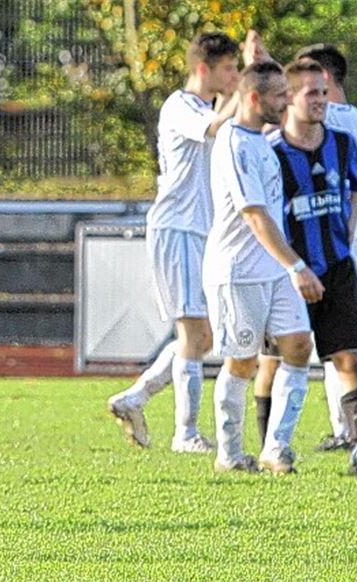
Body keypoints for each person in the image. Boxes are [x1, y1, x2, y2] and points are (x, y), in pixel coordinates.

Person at [106, 31, 247, 452]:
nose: (235, 76)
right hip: (179, 229)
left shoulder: (210, 107)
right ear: (204, 69)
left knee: (205, 337)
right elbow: (215, 127)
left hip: (204, 231)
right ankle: (186, 433)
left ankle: (136, 397)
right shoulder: (180, 106)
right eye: (229, 68)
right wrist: (244, 89)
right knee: (191, 331)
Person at [257, 59, 357, 474]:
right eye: (312, 93)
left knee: (350, 358)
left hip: (337, 267)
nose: (322, 101)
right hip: (289, 274)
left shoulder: (342, 143)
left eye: (324, 92)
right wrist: (290, 263)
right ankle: (271, 447)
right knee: (275, 361)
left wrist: (348, 225)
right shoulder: (271, 152)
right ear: (289, 98)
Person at [204, 60, 321, 474]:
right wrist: (297, 266)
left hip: (273, 269)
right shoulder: (233, 143)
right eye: (279, 96)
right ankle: (230, 455)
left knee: (299, 346)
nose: (287, 101)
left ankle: (276, 447)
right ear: (254, 98)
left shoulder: (261, 139)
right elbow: (254, 215)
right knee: (242, 362)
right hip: (238, 272)